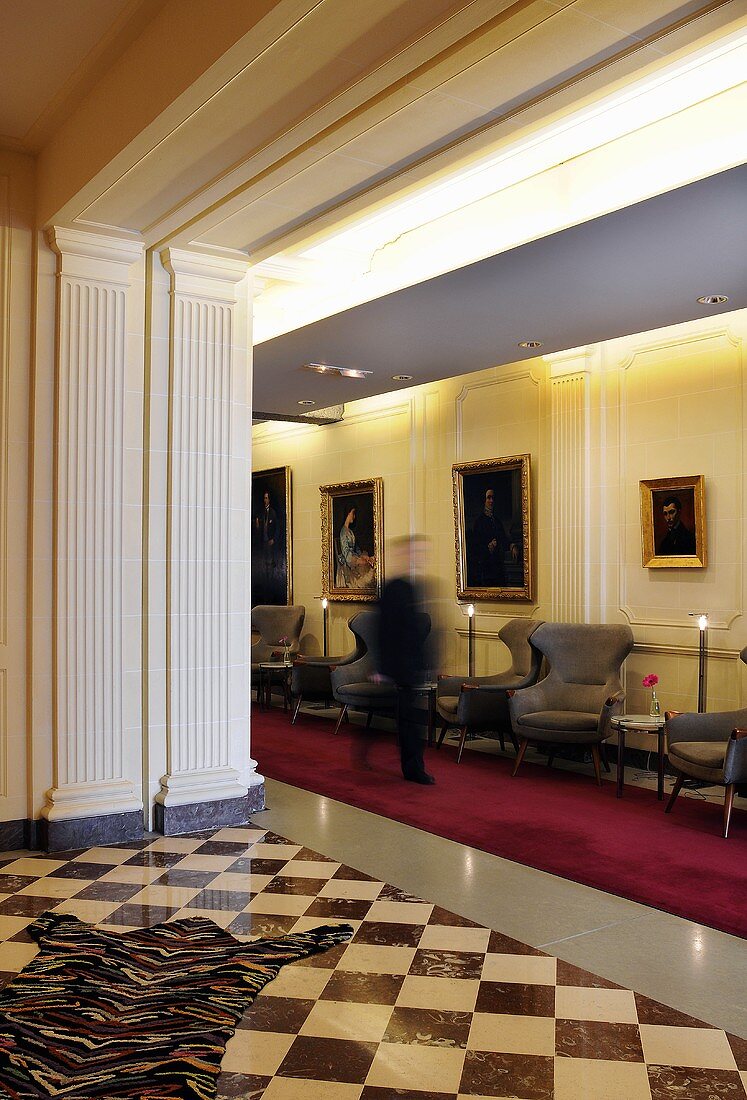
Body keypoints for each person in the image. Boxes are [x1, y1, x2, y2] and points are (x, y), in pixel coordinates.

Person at [377, 535, 435, 785]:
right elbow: (384, 630)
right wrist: (382, 668)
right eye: (415, 552)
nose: (418, 557)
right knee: (408, 719)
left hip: (411, 665)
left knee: (407, 718)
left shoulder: (415, 586)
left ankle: (413, 765)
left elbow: (419, 629)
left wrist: (427, 662)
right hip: (399, 665)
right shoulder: (391, 588)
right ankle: (413, 768)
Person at [471, 487, 518, 586]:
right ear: (484, 500)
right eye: (489, 498)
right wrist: (488, 547)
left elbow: (503, 539)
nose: (491, 501)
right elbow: (475, 547)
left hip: (498, 565)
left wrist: (512, 546)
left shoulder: (496, 520)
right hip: (485, 567)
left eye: (493, 498)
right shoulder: (479, 522)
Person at [336, 502, 375, 589]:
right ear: (348, 513)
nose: (354, 516)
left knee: (371, 562)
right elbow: (346, 554)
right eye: (353, 513)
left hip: (355, 559)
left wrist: (363, 557)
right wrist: (358, 561)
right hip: (349, 566)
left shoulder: (350, 532)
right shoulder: (343, 532)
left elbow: (355, 548)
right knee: (368, 576)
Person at [255, 489, 278, 600]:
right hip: (262, 541)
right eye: (264, 498)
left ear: (269, 499)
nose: (265, 500)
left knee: (270, 563)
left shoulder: (273, 512)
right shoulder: (261, 513)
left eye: (267, 498)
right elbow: (258, 527)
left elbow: (277, 528)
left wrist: (273, 538)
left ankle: (271, 583)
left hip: (270, 541)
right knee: (263, 563)